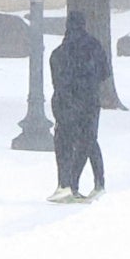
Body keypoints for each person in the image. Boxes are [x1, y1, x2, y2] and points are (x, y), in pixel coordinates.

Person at [48, 13, 111, 202]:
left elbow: (57, 81)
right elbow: (105, 73)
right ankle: (98, 183)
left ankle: (65, 184)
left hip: (66, 102)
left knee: (64, 143)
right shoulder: (95, 47)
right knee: (89, 140)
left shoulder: (59, 53)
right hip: (90, 101)